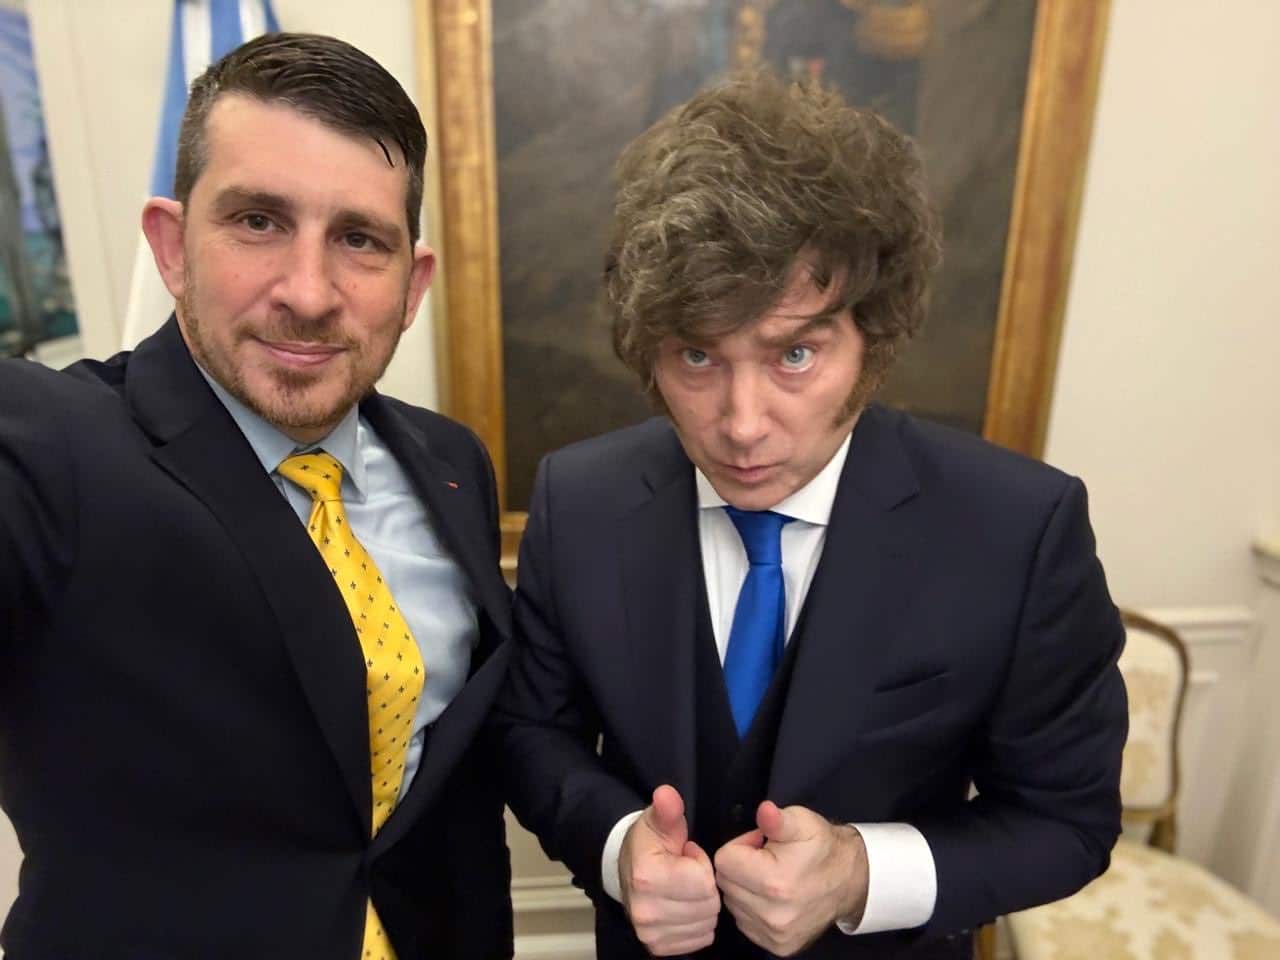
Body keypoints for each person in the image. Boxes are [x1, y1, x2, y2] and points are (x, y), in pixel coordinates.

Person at [494, 70, 1127, 959]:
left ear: (874, 339)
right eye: (696, 357)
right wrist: (617, 844)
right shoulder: (578, 500)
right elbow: (530, 732)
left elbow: (1068, 820)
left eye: (795, 354)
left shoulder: (1020, 528)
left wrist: (862, 873)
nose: (743, 424)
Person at [0, 33, 512, 959]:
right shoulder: (55, 449)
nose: (309, 293)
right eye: (258, 221)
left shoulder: (451, 463)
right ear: (172, 247)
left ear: (412, 285)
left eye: (359, 239)